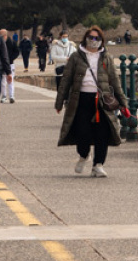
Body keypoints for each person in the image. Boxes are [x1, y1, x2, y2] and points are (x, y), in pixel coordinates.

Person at [55, 26, 129, 178]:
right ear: (85, 38)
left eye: (97, 38)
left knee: (102, 133)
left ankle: (98, 165)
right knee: (82, 131)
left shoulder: (106, 58)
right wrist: (59, 102)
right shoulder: (76, 57)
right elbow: (66, 80)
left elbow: (115, 81)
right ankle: (83, 154)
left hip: (102, 101)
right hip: (81, 99)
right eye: (91, 37)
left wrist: (123, 103)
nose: (93, 41)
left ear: (101, 40)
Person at [0, 29, 17, 103]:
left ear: (5, 35)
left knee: (10, 80)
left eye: (1, 36)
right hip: (1, 64)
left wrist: (11, 58)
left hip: (10, 63)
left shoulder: (12, 42)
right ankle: (4, 96)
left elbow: (17, 51)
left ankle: (11, 95)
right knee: (2, 81)